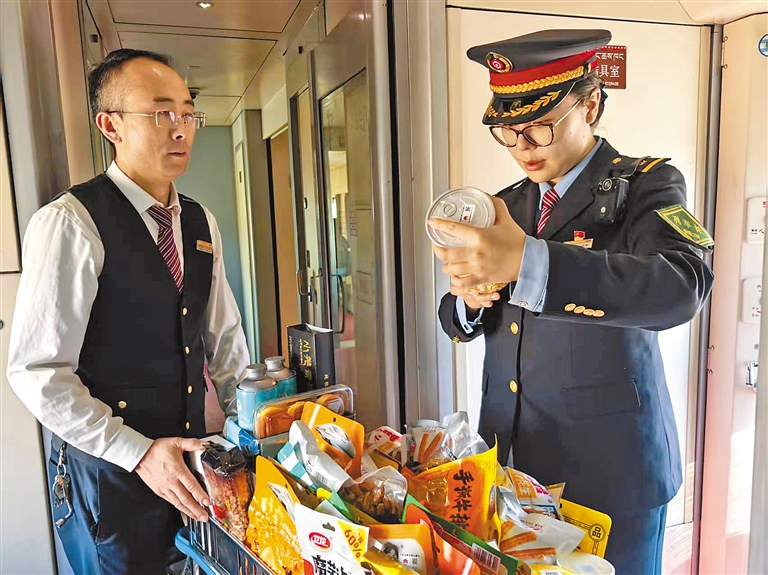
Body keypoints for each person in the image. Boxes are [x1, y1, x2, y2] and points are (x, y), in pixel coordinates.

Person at [431, 30, 714, 574]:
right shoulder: (507, 204)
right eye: (508, 132)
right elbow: (458, 318)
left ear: (590, 104)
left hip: (610, 472)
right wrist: (469, 299)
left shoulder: (647, 185)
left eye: (539, 125)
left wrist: (528, 263)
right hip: (513, 464)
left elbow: (682, 287)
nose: (523, 147)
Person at [7, 49, 250, 574]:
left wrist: (246, 424)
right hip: (109, 477)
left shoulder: (200, 221)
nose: (181, 128)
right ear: (110, 125)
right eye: (161, 113)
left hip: (190, 466)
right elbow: (37, 372)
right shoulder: (71, 222)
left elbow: (224, 334)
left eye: (188, 113)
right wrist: (137, 452)